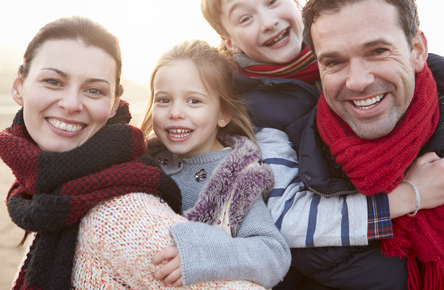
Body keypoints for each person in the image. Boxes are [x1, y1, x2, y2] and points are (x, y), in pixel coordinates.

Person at [201, 0, 444, 288]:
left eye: (272, 1)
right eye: (246, 18)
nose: (268, 21)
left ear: (295, 5)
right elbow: (284, 218)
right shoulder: (255, 112)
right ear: (229, 42)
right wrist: (407, 196)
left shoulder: (345, 56)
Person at [1, 16, 267, 290]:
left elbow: (267, 256)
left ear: (115, 104)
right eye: (53, 81)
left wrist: (209, 253)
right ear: (18, 86)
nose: (70, 104)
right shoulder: (59, 186)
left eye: (93, 90)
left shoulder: (120, 214)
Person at [290, 0, 444, 289]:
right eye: (334, 62)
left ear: (417, 51)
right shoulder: (295, 175)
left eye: (377, 51)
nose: (357, 81)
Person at [140, 39, 291, 288]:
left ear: (223, 114)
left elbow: (274, 254)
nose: (175, 112)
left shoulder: (236, 179)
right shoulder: (145, 159)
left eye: (194, 101)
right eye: (164, 100)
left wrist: (205, 255)